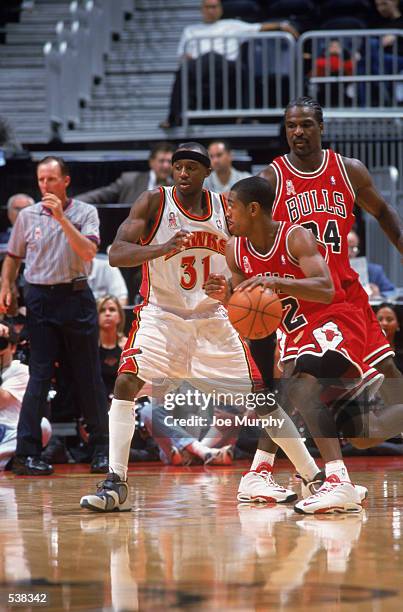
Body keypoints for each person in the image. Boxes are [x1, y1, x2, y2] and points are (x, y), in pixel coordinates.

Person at [80, 142, 326, 513]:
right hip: (162, 314)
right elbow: (116, 254)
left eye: (191, 168)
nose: (182, 174)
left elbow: (241, 265)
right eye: (178, 167)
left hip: (214, 319)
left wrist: (230, 294)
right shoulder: (153, 202)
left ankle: (313, 477)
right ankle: (116, 482)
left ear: (206, 173)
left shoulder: (225, 211)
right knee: (126, 382)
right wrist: (159, 249)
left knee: (262, 398)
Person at [250, 95, 403, 497]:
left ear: (321, 127)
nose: (298, 132)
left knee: (387, 384)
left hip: (347, 293)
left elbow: (384, 212)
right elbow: (251, 232)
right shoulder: (272, 178)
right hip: (304, 300)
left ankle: (272, 471)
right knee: (301, 384)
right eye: (291, 126)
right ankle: (286, 471)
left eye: (305, 125)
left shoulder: (348, 170)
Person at [207, 176, 384, 513]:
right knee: (280, 399)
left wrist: (277, 280)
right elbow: (250, 307)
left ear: (254, 209)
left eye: (232, 206)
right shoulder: (235, 249)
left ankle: (338, 480)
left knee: (301, 390)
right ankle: (258, 473)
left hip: (333, 317)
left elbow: (326, 287)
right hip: (293, 332)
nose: (226, 213)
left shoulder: (295, 236)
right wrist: (227, 295)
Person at [0, 156, 109, 475]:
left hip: (76, 296)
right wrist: (6, 284)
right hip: (40, 300)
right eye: (41, 180)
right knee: (39, 376)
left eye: (51, 180)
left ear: (65, 181)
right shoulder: (27, 216)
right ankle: (26, 454)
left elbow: (89, 252)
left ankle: (101, 450)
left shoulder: (85, 213)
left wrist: (61, 218)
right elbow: (13, 257)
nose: (45, 186)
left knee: (88, 375)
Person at [160, 0, 299, 128]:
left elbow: (259, 27)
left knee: (243, 69)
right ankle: (174, 116)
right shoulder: (190, 30)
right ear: (201, 9)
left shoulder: (232, 25)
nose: (211, 11)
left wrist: (281, 25)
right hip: (200, 66)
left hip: (226, 67)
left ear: (220, 9)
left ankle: (245, 116)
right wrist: (187, 58)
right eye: (208, 7)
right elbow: (182, 55)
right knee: (183, 69)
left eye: (214, 7)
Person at [0, 322, 52, 470]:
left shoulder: (21, 370)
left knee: (43, 426)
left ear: (13, 347)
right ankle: (6, 461)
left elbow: (2, 400)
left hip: (11, 432)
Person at [76, 142, 175, 205]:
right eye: (161, 161)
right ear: (151, 162)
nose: (166, 166)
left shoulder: (177, 187)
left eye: (169, 162)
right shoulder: (130, 180)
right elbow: (100, 195)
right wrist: (71, 203)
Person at [347, 229, 396, 298]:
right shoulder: (329, 270)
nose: (349, 253)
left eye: (353, 248)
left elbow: (392, 292)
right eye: (344, 247)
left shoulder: (374, 271)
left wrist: (379, 294)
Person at [97, 294, 127, 405]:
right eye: (102, 310)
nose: (108, 313)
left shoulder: (129, 346)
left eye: (112, 310)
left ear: (120, 316)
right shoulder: (89, 349)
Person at [376, 303, 403, 373]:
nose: (384, 323)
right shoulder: (365, 351)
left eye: (389, 319)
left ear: (398, 325)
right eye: (380, 319)